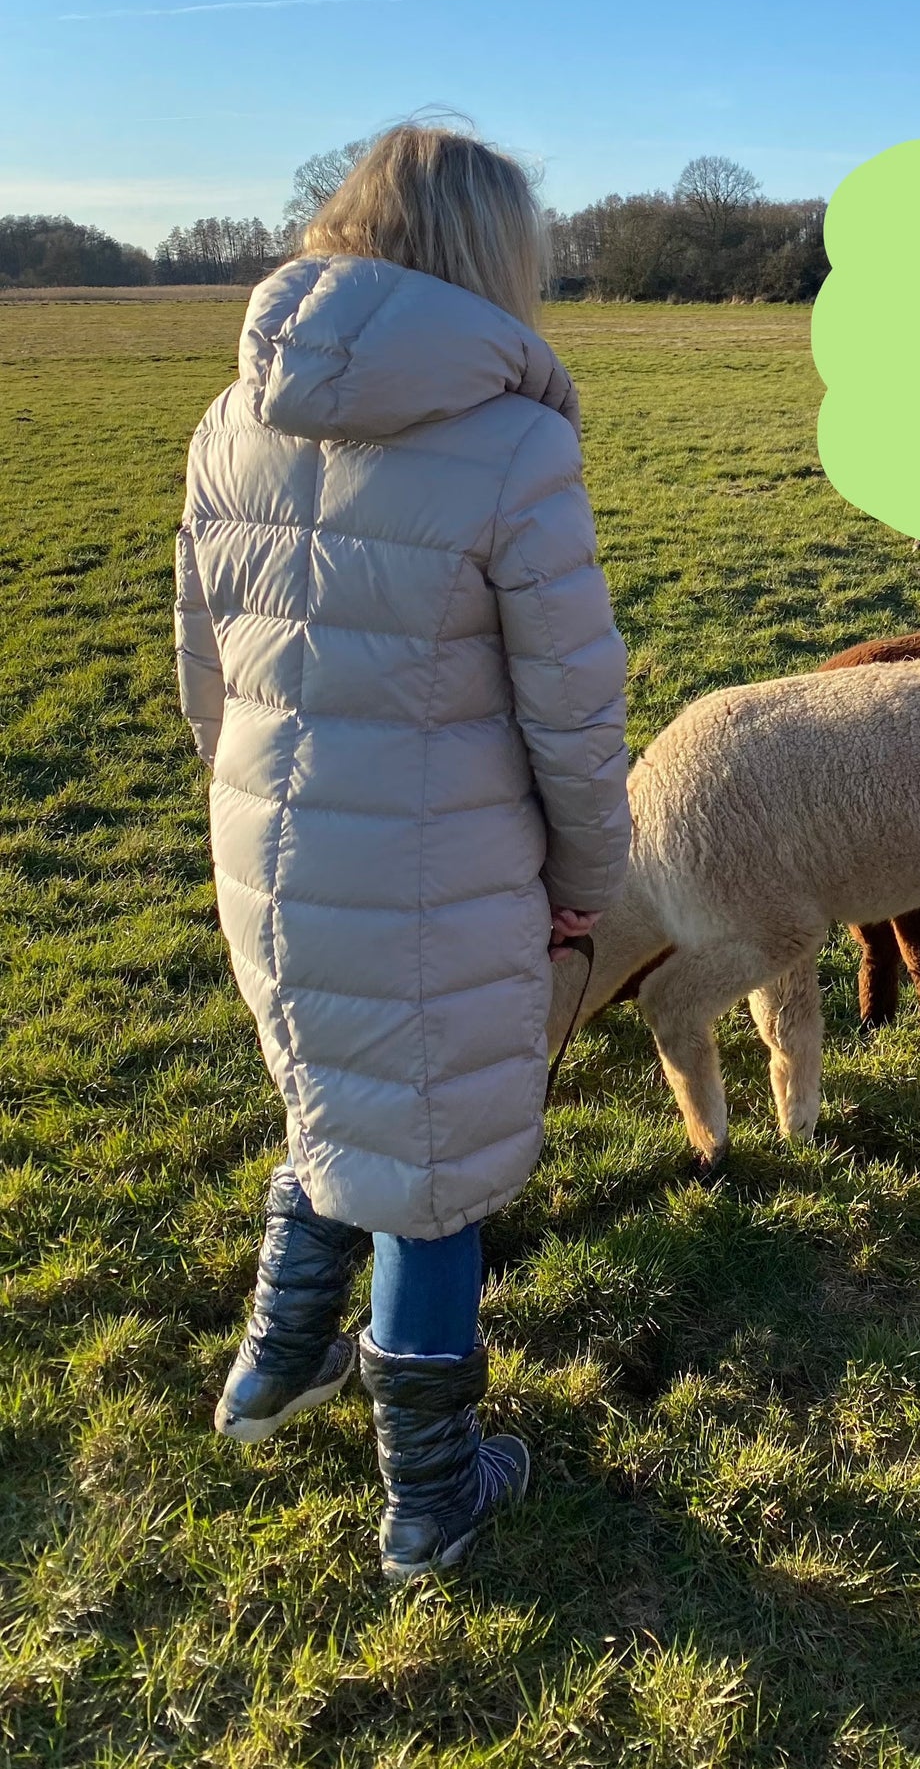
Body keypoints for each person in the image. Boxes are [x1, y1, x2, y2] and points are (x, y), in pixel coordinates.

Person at [173, 124, 632, 1579]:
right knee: (428, 1168)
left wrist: (259, 805)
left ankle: (267, 1377)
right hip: (439, 865)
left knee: (340, 1094)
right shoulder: (515, 443)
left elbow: (204, 669)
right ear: (494, 256)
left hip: (273, 844)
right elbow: (574, 709)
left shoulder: (226, 418)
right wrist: (586, 882)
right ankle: (432, 1494)